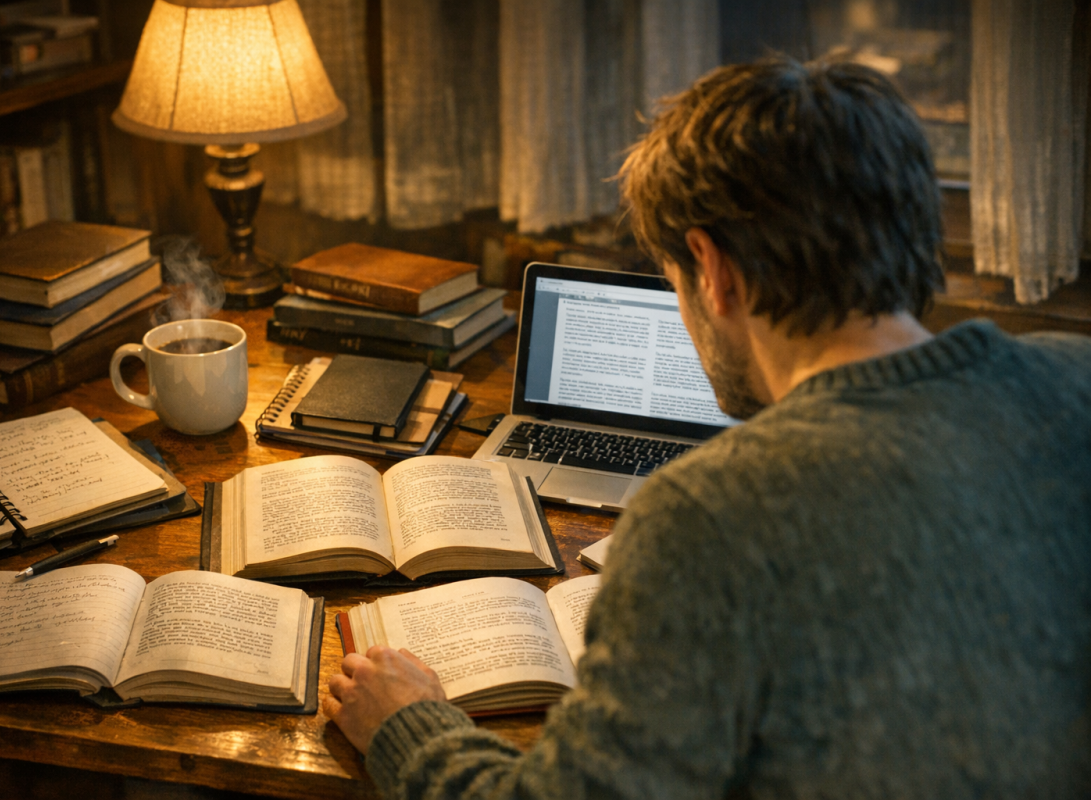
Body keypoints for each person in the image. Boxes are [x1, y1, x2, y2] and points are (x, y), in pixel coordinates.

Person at [323, 57, 1091, 799]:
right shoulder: (1075, 380)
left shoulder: (707, 517)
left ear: (712, 268)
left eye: (673, 279)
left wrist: (406, 723)